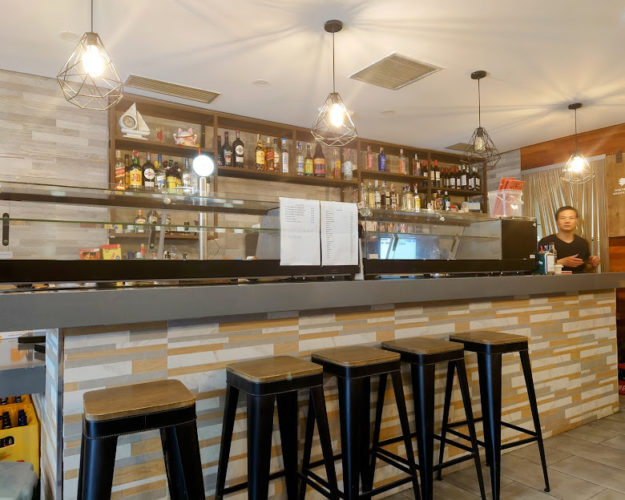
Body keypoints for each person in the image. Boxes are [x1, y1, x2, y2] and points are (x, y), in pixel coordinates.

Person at [537, 205, 600, 273]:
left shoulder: (583, 243)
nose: (567, 221)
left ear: (576, 221)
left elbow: (586, 269)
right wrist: (561, 262)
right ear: (557, 222)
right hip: (553, 279)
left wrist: (593, 264)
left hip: (578, 279)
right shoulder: (546, 242)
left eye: (571, 218)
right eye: (563, 218)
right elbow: (538, 268)